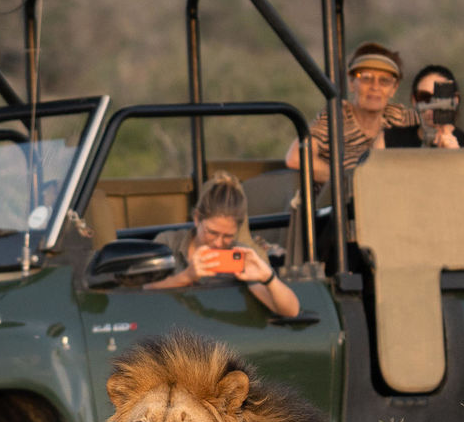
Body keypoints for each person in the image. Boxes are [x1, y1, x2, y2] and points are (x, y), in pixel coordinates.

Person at [149, 173, 301, 318]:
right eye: (212, 232)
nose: (218, 242)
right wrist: (186, 276)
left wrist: (268, 277)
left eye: (228, 236)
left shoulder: (240, 254)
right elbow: (141, 292)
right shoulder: (169, 243)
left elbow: (291, 311)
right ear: (197, 219)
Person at [284, 41, 419, 184]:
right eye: (366, 78)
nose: (375, 87)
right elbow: (296, 158)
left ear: (394, 88)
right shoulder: (337, 116)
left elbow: (434, 125)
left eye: (384, 81)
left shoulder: (398, 116)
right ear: (351, 82)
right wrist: (352, 181)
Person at [385, 64, 464, 149]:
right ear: (414, 100)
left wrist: (457, 158)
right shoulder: (388, 141)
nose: (432, 105)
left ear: (455, 100)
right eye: (424, 97)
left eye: (440, 97)